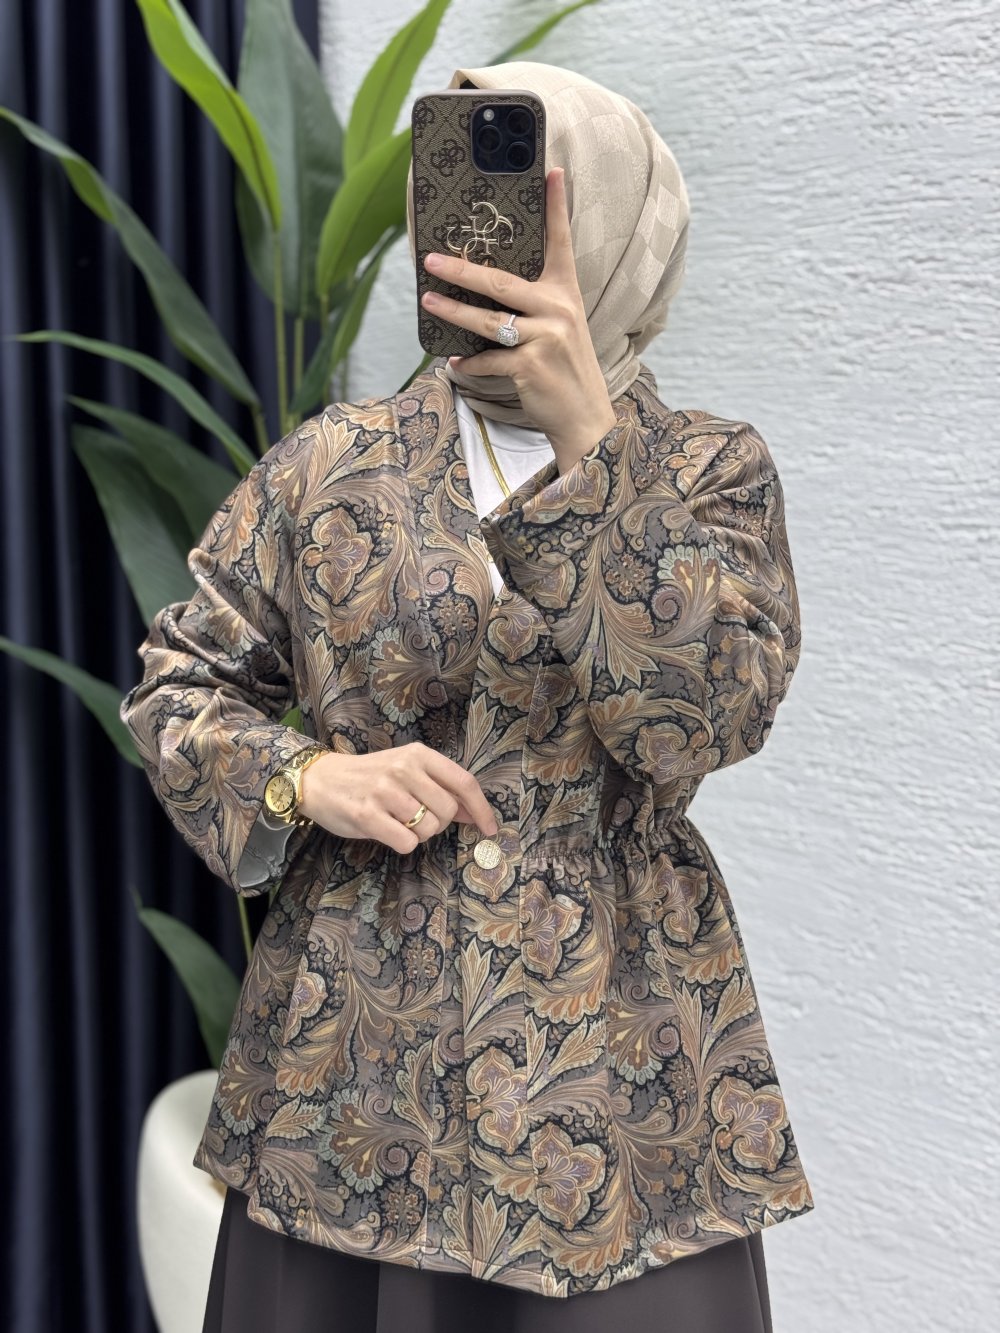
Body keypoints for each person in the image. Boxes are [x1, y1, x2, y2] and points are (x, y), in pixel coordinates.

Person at [121, 60, 815, 1333]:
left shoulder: (705, 471)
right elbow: (180, 679)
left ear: (616, 227)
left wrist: (591, 445)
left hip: (620, 1083)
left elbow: (704, 720)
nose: (488, 235)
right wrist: (307, 776)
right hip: (350, 1071)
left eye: (540, 206)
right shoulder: (331, 462)